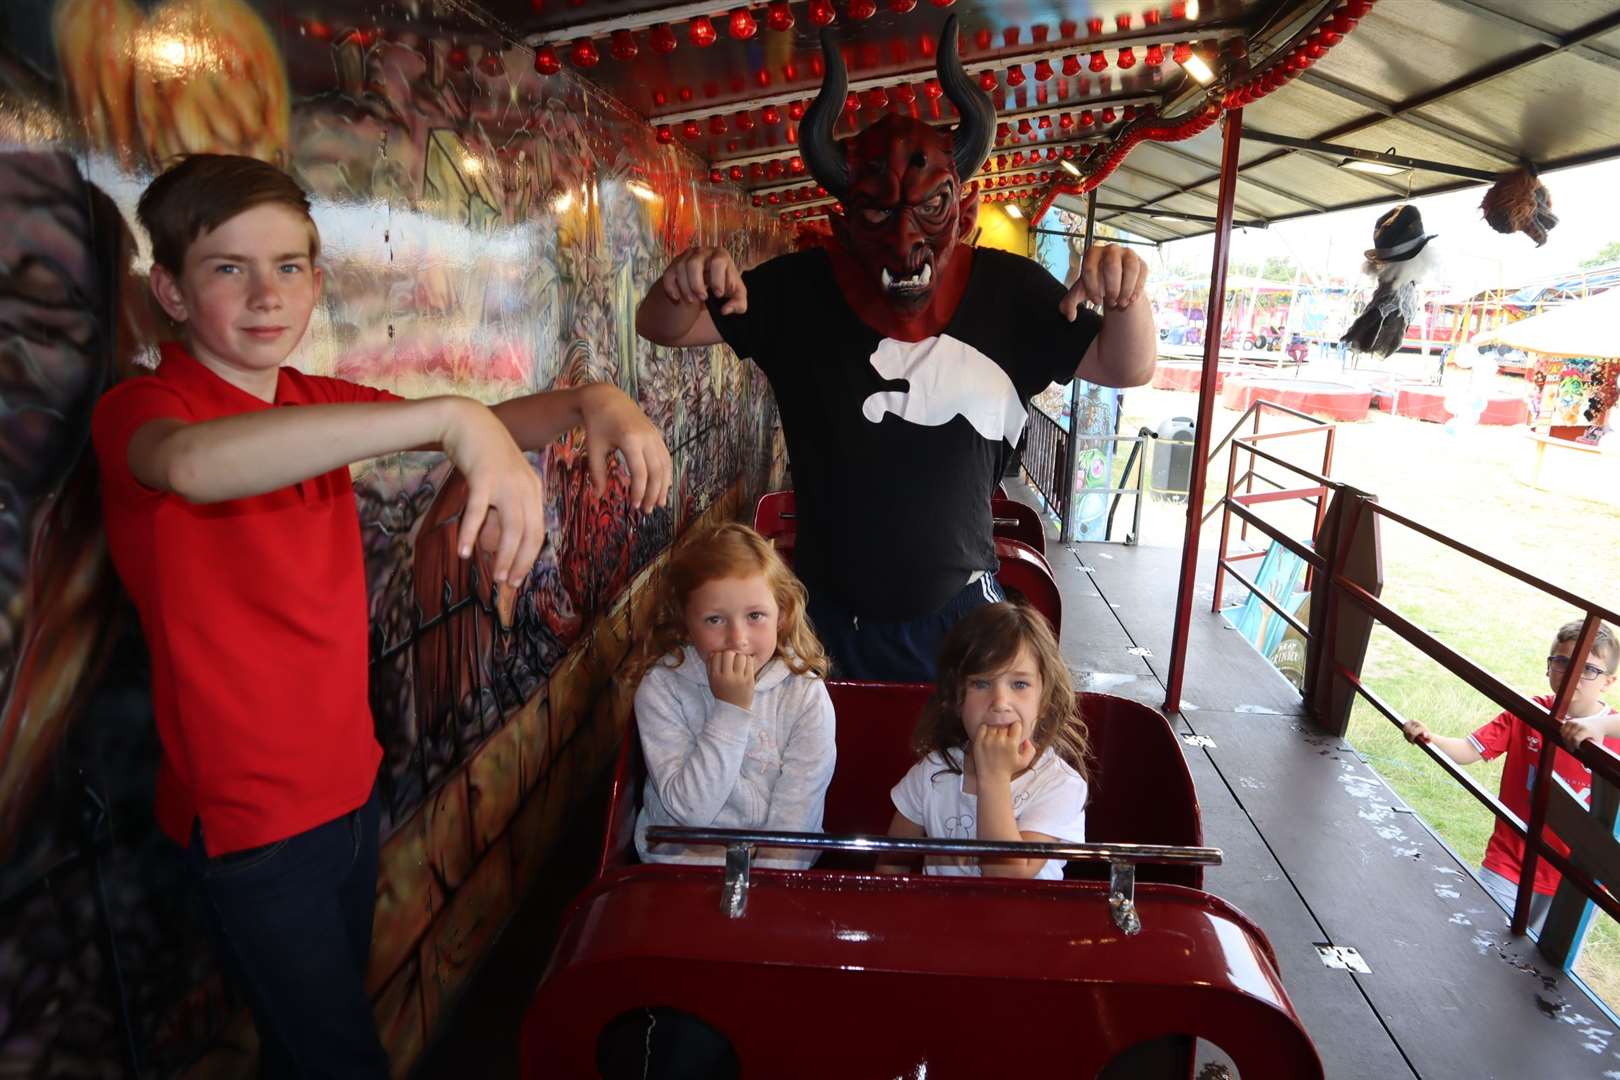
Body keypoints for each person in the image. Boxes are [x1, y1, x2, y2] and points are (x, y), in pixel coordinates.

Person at [90, 154, 671, 1077]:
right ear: (168, 288)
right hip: (251, 828)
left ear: (318, 281)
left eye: (289, 266)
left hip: (349, 788)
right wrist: (444, 421)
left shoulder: (308, 401)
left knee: (316, 1047)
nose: (266, 292)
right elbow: (194, 465)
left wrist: (592, 400)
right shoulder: (145, 409)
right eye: (227, 268)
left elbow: (493, 420)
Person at [634, 17, 1157, 682]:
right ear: (843, 222)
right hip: (821, 615)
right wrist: (681, 283)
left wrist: (1127, 296)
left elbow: (1126, 366)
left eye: (930, 209)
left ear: (963, 212)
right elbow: (665, 326)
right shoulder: (800, 289)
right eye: (879, 213)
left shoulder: (1008, 291)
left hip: (961, 614)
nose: (907, 238)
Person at [627, 522, 836, 870]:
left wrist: (769, 879)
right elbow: (689, 813)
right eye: (714, 620)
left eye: (755, 616)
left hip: (774, 864)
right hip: (681, 862)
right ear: (684, 622)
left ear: (781, 616)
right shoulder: (662, 689)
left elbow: (796, 818)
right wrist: (730, 710)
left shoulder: (805, 695)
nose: (737, 638)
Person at [1403, 620, 1620, 933]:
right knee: (1478, 937)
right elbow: (1469, 749)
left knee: (1545, 967)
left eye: (1588, 669)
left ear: (1609, 681)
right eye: (1562, 662)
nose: (1572, 675)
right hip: (1511, 859)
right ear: (1548, 667)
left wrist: (1600, 728)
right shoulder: (1528, 712)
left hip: (1578, 877)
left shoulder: (1612, 730)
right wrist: (1430, 738)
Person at [879, 602, 1089, 880]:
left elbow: (1006, 877)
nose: (1000, 702)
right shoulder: (932, 772)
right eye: (981, 684)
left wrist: (994, 777)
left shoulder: (1059, 785)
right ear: (956, 699)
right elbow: (891, 861)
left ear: (1045, 701)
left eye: (1019, 684)